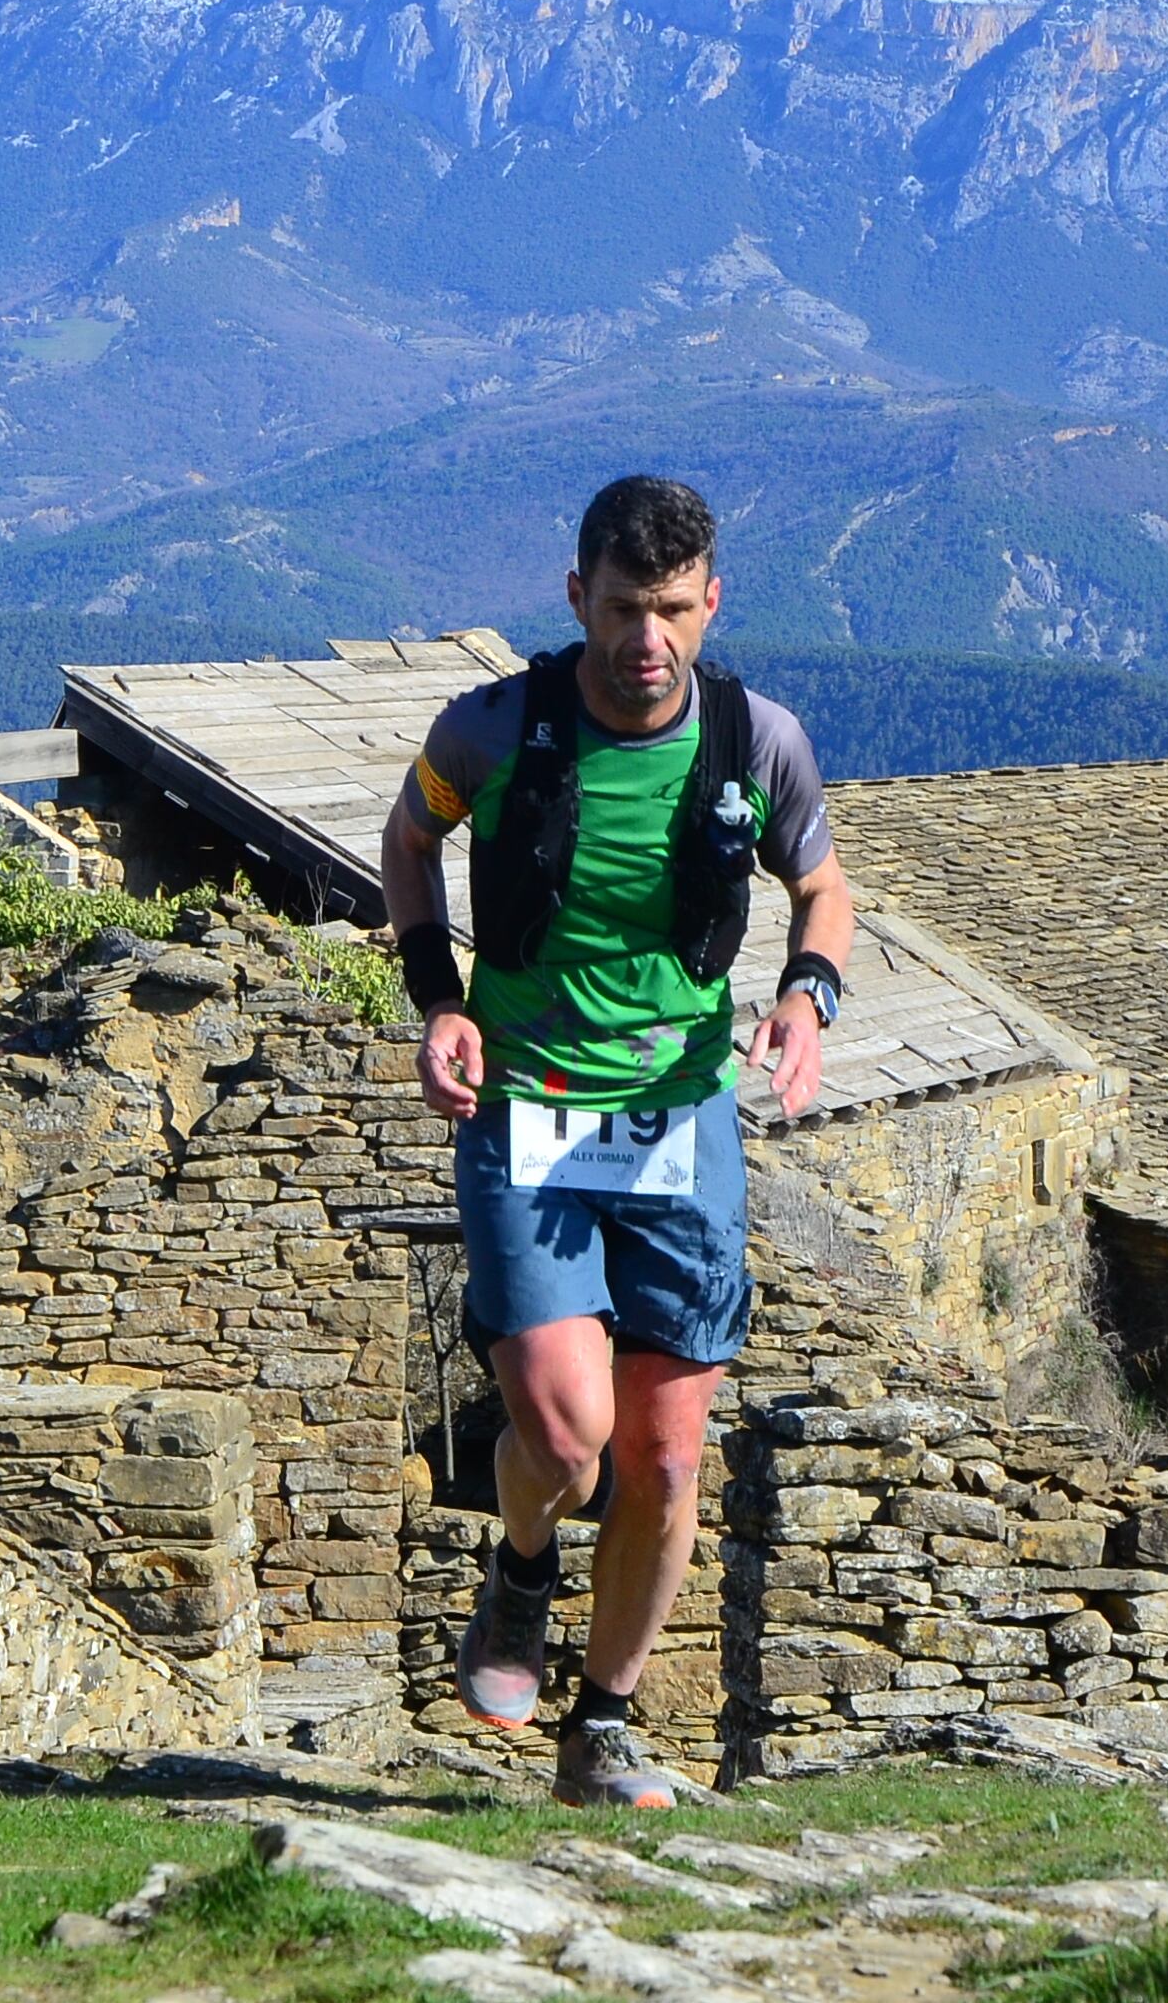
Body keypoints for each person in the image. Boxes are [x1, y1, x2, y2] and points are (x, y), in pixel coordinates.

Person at [379, 472, 845, 1807]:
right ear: (578, 596)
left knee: (664, 1457)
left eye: (677, 611)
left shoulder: (759, 742)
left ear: (711, 603)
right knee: (570, 1435)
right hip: (527, 1109)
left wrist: (808, 1001)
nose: (651, 639)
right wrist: (440, 1003)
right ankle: (523, 1569)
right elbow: (410, 840)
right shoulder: (492, 729)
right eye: (627, 609)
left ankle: (607, 1727)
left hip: (680, 1124)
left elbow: (823, 886)